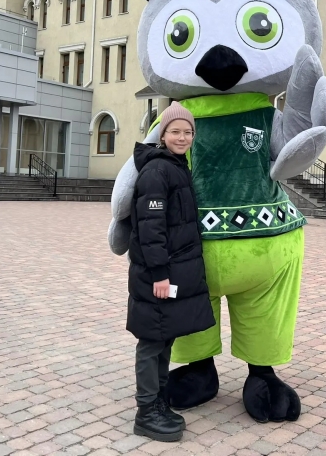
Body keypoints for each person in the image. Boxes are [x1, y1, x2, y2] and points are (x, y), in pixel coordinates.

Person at [127, 102, 216, 442]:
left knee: (164, 338)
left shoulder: (176, 167)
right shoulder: (157, 171)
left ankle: (159, 401)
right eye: (175, 131)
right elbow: (150, 229)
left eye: (188, 132)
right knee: (152, 341)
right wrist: (160, 274)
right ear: (162, 135)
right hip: (158, 273)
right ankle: (146, 412)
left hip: (171, 270)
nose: (183, 137)